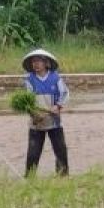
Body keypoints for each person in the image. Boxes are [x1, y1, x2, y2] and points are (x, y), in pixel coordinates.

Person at [22, 48, 70, 177]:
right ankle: (30, 176)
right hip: (37, 122)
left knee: (60, 149)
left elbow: (64, 93)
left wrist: (58, 106)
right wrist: (34, 113)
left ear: (46, 63)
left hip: (54, 121)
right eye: (33, 62)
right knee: (33, 151)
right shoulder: (29, 80)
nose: (36, 64)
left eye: (38, 61)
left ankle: (63, 174)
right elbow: (27, 100)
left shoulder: (55, 78)